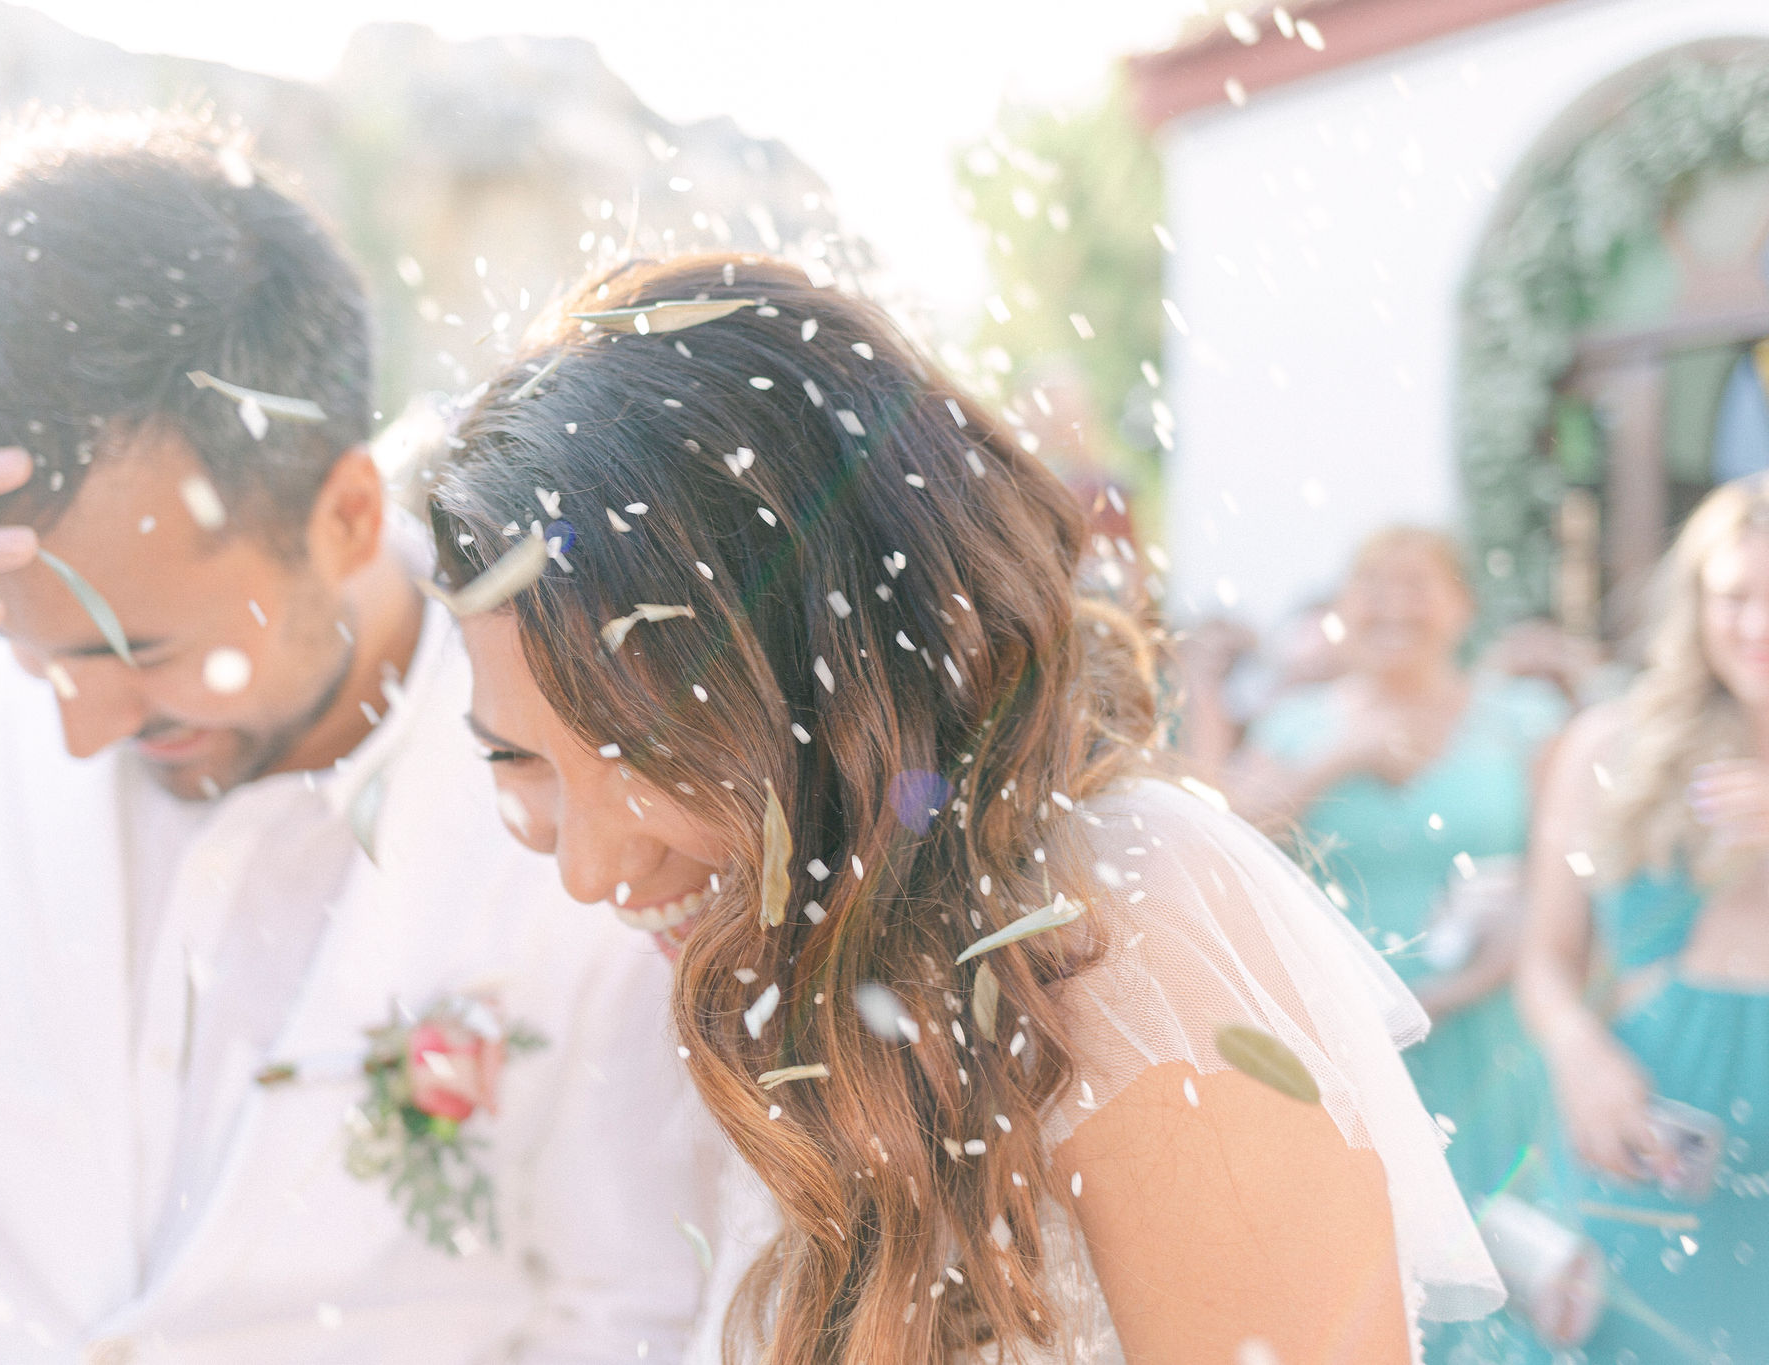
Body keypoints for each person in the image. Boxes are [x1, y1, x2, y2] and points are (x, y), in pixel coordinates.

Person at [0, 112, 712, 1361]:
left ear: (345, 516)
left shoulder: (575, 792)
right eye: (39, 655)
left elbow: (620, 1309)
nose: (79, 725)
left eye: (137, 653)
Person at [421, 254, 1502, 1363]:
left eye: (657, 760)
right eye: (517, 760)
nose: (590, 872)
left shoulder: (1124, 934)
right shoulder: (819, 971)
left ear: (850, 686)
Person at [1227, 529, 1568, 1211]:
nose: (1394, 606)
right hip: (1338, 1030)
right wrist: (1339, 756)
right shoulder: (1293, 726)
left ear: (1463, 605)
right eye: (1373, 585)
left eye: (1418, 585)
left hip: (1488, 1022)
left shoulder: (1525, 721)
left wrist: (1472, 978)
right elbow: (1228, 843)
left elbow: (1559, 873)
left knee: (1504, 1235)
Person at [1519, 476, 1769, 1362]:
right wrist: (1577, 1050)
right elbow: (1544, 960)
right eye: (1735, 595)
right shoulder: (1606, 746)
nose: (1757, 625)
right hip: (1647, 1130)